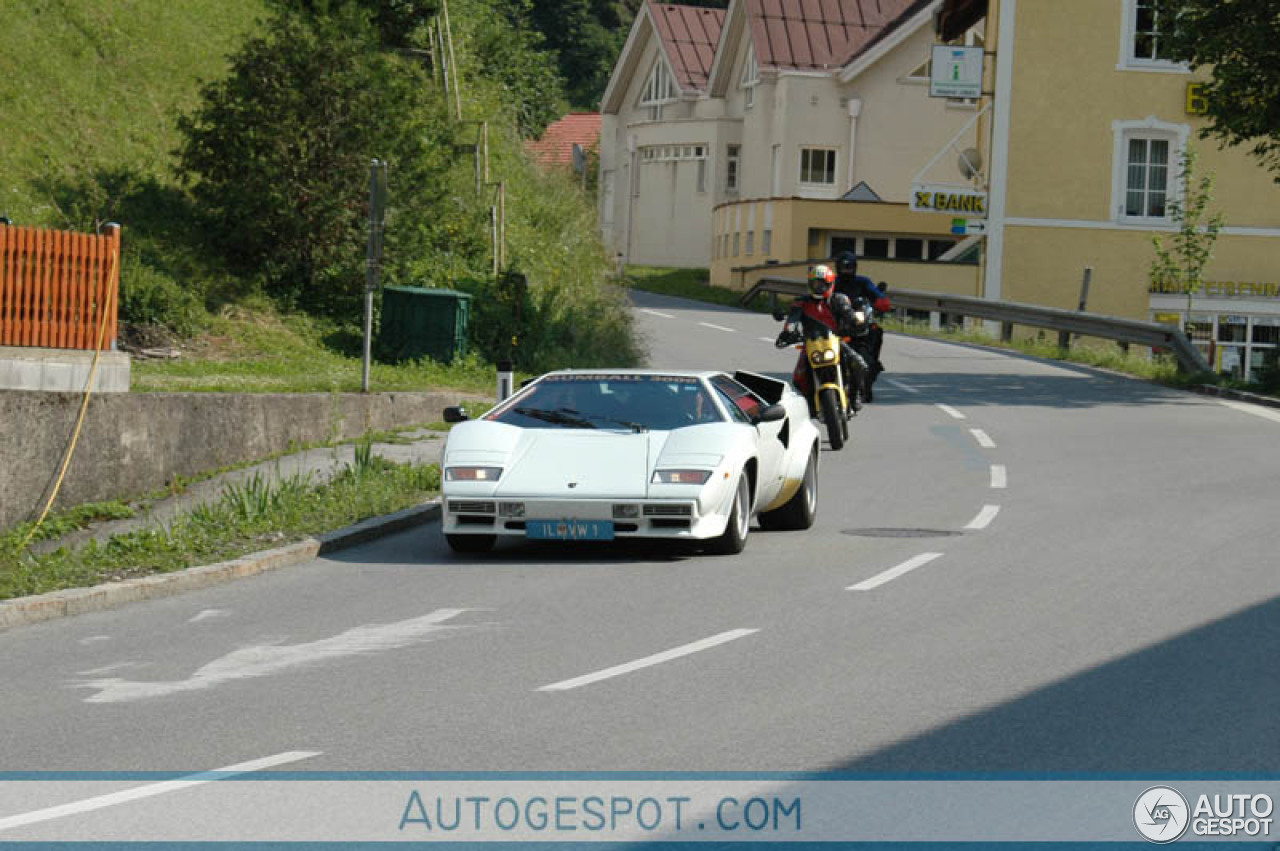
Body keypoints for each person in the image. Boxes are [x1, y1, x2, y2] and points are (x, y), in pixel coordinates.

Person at [777, 263, 868, 412]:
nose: (819, 287)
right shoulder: (801, 302)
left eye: (822, 284)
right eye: (815, 284)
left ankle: (854, 395)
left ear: (830, 284)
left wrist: (857, 321)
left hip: (836, 341)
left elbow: (849, 313)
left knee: (859, 363)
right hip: (810, 343)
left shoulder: (839, 299)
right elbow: (792, 319)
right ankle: (809, 403)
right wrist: (788, 331)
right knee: (799, 377)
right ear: (810, 284)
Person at [833, 250, 890, 376]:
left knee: (876, 331)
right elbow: (819, 296)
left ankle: (874, 361)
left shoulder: (862, 282)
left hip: (859, 320)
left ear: (855, 267)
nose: (846, 270)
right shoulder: (832, 283)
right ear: (838, 268)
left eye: (849, 267)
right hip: (836, 322)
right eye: (843, 268)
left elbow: (876, 294)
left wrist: (882, 302)